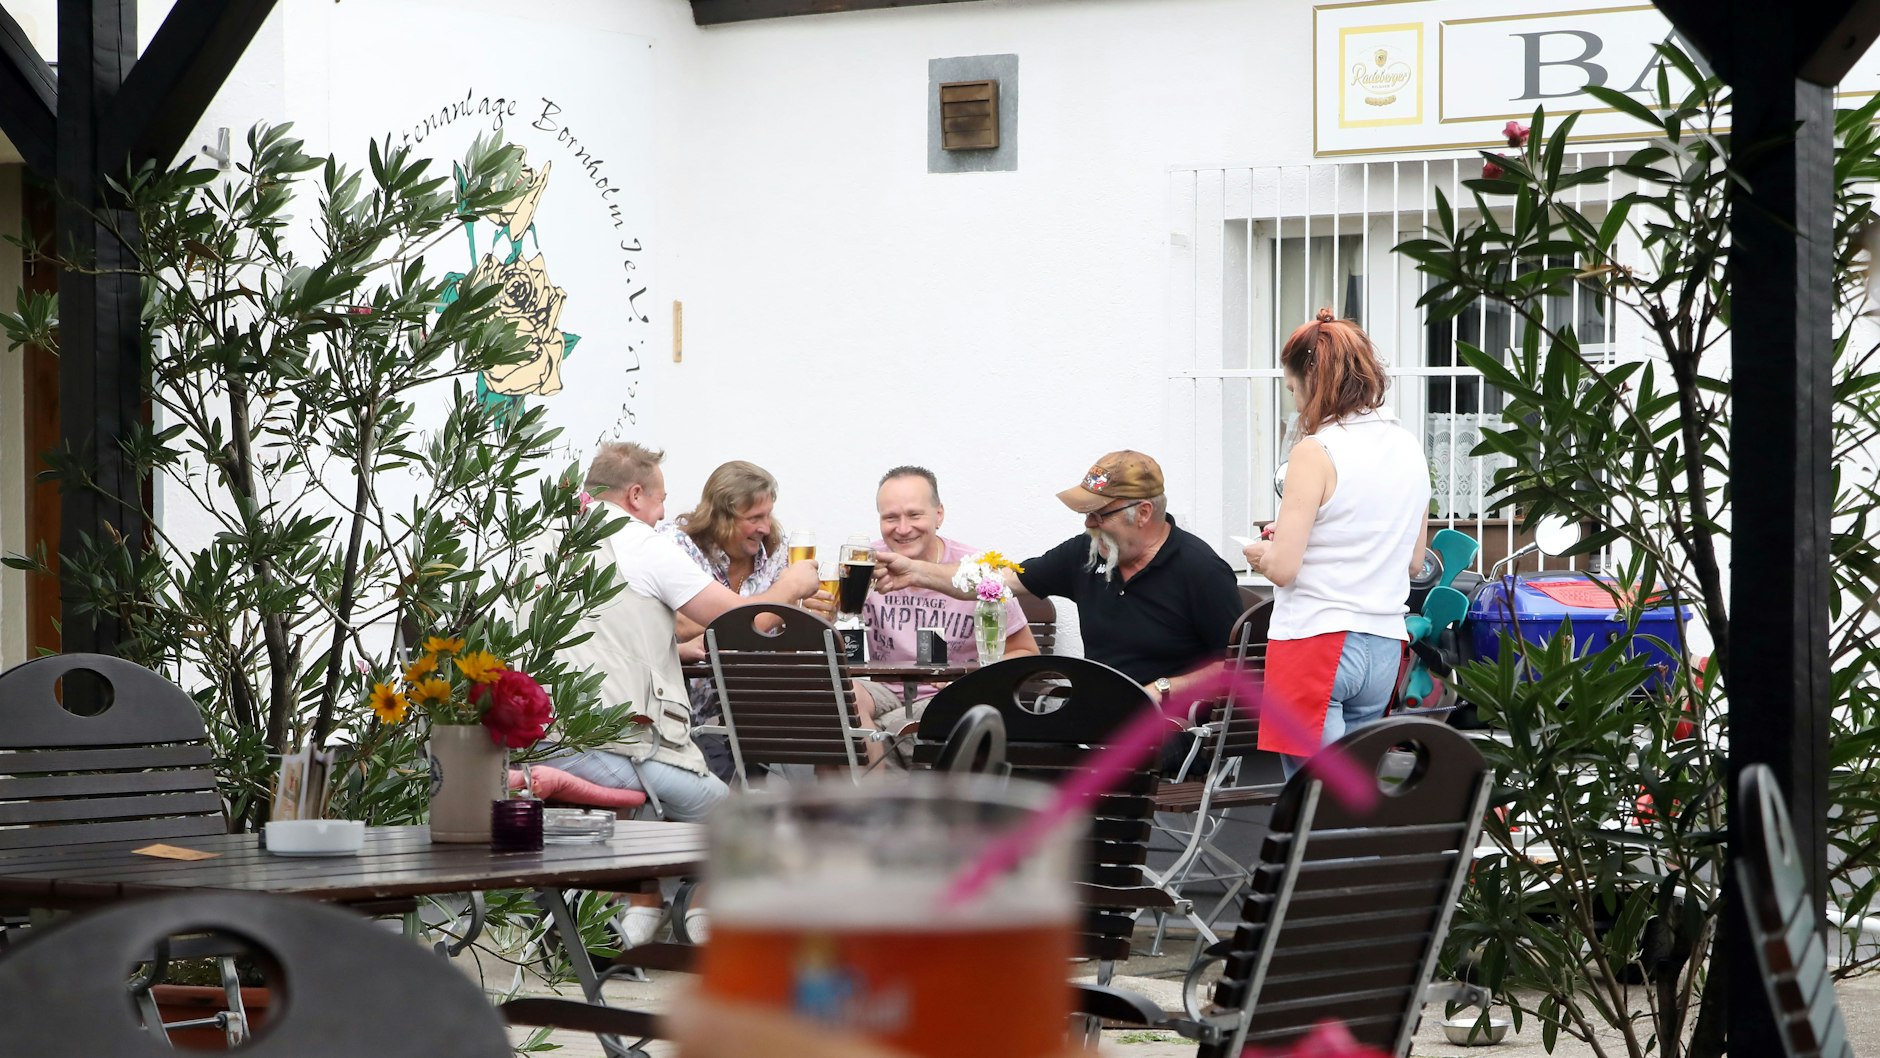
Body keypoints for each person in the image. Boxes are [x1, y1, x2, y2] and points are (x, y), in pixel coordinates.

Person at [551, 441, 818, 943]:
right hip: (610, 746)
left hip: (538, 739)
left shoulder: (549, 540)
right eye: (658, 501)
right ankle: (681, 923)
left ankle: (639, 921)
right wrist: (792, 586)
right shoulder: (643, 543)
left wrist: (676, 651)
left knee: (676, 790)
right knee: (734, 815)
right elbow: (738, 622)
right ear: (634, 495)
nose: (660, 515)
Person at [872, 451, 1242, 727]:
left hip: (1171, 721)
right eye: (1086, 514)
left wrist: (1160, 689)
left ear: (1143, 513)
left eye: (1099, 514)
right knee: (1018, 735)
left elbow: (1234, 668)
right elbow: (998, 582)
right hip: (1099, 713)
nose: (1088, 523)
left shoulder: (1200, 570)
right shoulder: (1086, 554)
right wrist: (917, 572)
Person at [1240, 308, 1430, 775]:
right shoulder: (1409, 447)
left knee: (1308, 801)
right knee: (1354, 798)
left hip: (1314, 639)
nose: (1295, 402)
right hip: (1385, 642)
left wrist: (1262, 551)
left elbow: (1283, 568)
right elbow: (1414, 561)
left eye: (1292, 389)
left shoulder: (1315, 450)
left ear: (1312, 379)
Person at [850, 467, 1039, 761]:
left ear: (939, 515)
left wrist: (970, 680)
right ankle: (878, 793)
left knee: (906, 727)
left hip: (948, 696)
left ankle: (883, 792)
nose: (902, 528)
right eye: (890, 518)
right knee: (840, 702)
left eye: (914, 515)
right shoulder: (863, 565)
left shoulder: (974, 571)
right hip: (879, 691)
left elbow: (1026, 652)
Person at [660, 460, 790, 782]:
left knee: (838, 734)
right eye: (754, 518)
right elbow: (679, 626)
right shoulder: (676, 545)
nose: (765, 527)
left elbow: (787, 628)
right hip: (683, 711)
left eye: (768, 514)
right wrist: (779, 601)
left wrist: (801, 610)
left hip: (757, 706)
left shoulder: (774, 551)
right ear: (721, 516)